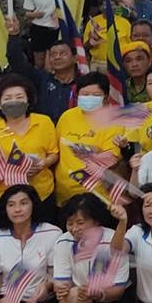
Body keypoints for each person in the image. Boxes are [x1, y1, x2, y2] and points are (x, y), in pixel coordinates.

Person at [52, 193, 132, 303]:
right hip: (82, 298)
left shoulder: (113, 241)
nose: (74, 229)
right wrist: (61, 289)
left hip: (110, 299)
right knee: (71, 297)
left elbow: (118, 291)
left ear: (96, 220)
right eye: (70, 223)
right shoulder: (63, 241)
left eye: (80, 223)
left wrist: (100, 293)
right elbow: (61, 281)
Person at [0, 75, 60, 221]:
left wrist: (42, 164)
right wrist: (11, 170)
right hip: (7, 198)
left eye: (19, 97)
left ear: (28, 100)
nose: (14, 102)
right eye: (7, 98)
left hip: (42, 193)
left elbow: (54, 153)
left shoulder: (44, 122)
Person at [54, 72, 122, 207]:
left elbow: (112, 158)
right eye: (85, 94)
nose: (89, 98)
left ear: (106, 98)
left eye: (96, 95)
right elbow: (56, 151)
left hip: (97, 196)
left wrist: (91, 150)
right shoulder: (67, 116)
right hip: (64, 195)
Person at [5, 19, 81, 124]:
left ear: (75, 58)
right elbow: (18, 63)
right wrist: (13, 36)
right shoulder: (41, 80)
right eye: (53, 54)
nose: (57, 57)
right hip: (44, 134)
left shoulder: (84, 83)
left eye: (62, 53)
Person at [23, 0, 65, 67]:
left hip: (57, 28)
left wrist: (59, 14)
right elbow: (26, 13)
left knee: (53, 59)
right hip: (39, 29)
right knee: (39, 61)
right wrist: (35, 14)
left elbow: (70, 6)